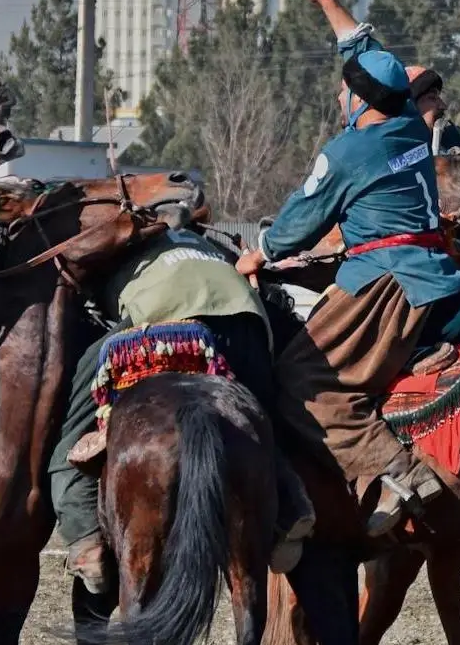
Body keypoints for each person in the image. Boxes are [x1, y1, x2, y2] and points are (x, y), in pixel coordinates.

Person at [235, 0, 460, 538]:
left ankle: (396, 473)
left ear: (360, 101)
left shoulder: (347, 152)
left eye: (346, 92)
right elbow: (359, 46)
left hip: (384, 288)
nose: (340, 97)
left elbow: (297, 226)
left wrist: (259, 251)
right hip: (440, 275)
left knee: (299, 380)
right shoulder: (405, 122)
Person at [49, 215, 300, 594]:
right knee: (265, 422)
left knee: (77, 412)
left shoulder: (123, 246)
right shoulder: (215, 247)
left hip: (164, 324)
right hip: (247, 324)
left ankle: (83, 535)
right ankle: (292, 506)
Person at [406, 64, 460, 155]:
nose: (443, 106)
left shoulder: (459, 139)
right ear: (409, 106)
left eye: (438, 97)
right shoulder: (392, 149)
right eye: (432, 98)